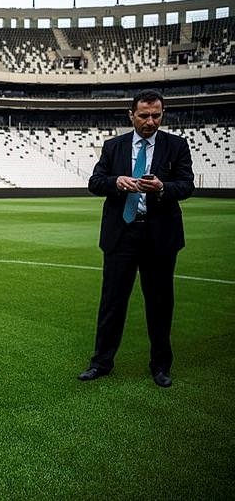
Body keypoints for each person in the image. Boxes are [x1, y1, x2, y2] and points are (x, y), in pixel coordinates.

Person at [79, 90, 194, 388]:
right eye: (144, 115)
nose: (150, 121)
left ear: (162, 114)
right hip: (122, 235)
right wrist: (116, 182)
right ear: (131, 115)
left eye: (156, 115)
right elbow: (95, 182)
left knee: (159, 304)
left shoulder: (177, 145)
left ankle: (160, 366)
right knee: (112, 303)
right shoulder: (113, 146)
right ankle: (101, 362)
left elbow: (186, 186)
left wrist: (161, 187)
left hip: (160, 236)